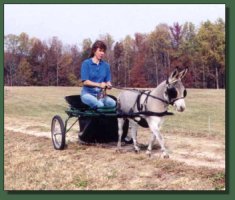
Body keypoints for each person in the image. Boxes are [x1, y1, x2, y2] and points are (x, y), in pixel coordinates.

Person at [80, 40, 116, 108]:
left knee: (113, 104)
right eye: (100, 50)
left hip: (100, 96)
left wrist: (109, 85)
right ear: (94, 50)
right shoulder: (86, 63)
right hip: (87, 94)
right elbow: (85, 82)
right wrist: (99, 85)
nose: (102, 53)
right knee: (100, 105)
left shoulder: (106, 66)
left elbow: (108, 81)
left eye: (103, 51)